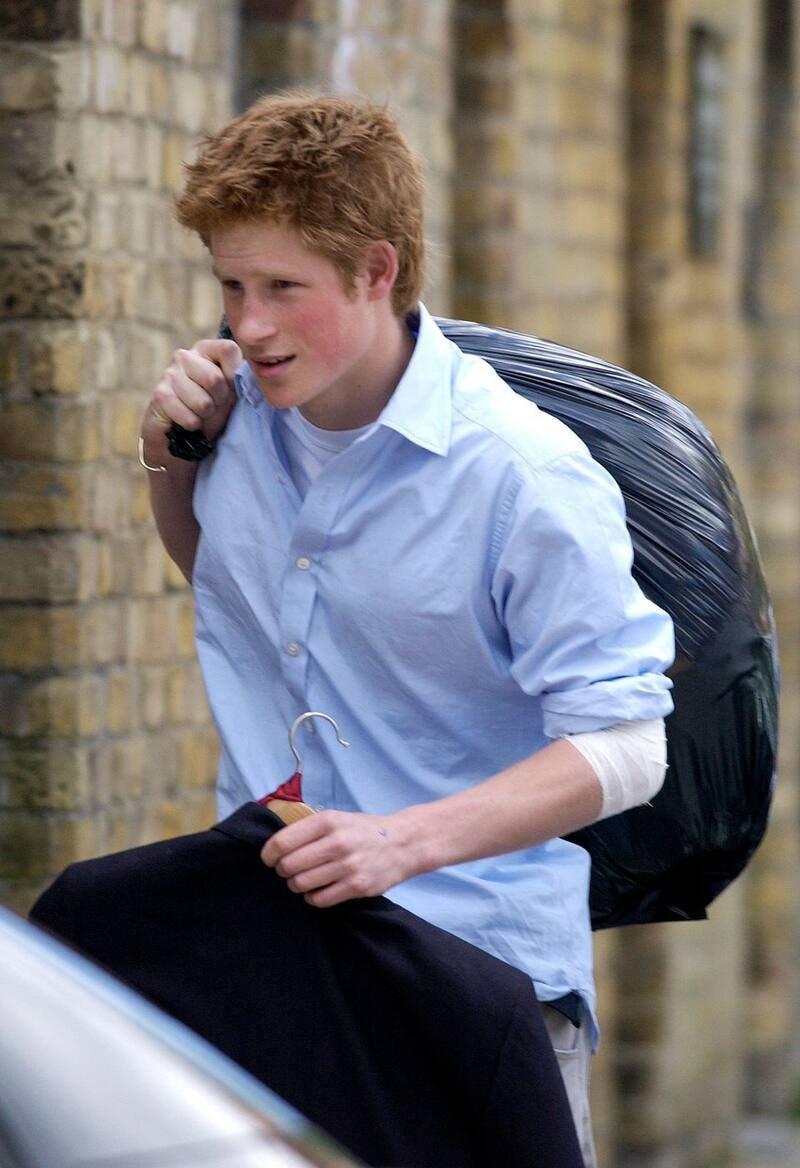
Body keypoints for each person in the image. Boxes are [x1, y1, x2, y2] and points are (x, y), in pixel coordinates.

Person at [139, 91, 675, 1168]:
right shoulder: (234, 419)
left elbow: (627, 745)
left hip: (473, 977)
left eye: (282, 287)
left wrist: (399, 839)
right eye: (231, 286)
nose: (247, 324)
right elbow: (243, 605)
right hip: (277, 965)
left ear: (377, 270)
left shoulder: (521, 475)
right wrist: (168, 461)